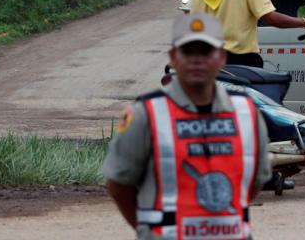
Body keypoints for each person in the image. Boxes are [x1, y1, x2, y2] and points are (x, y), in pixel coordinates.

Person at [103, 13, 272, 239]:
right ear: (173, 57)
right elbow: (119, 185)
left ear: (221, 57)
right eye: (188, 51)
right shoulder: (145, 113)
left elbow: (254, 182)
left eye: (205, 51)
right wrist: (149, 231)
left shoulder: (247, 113)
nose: (197, 59)